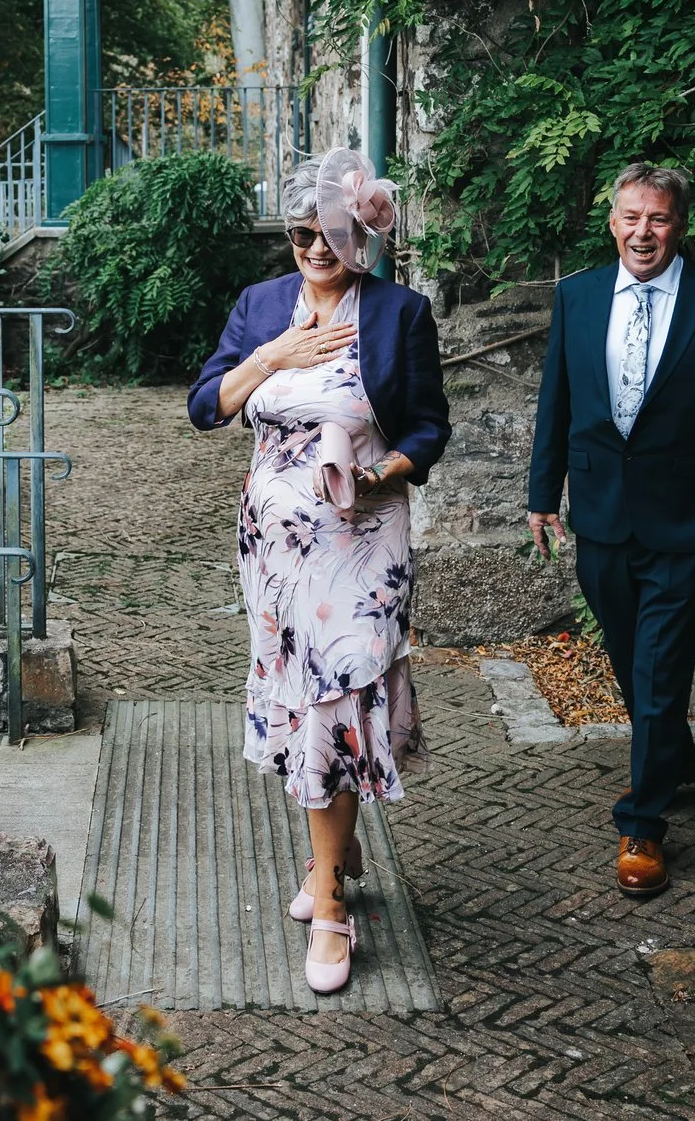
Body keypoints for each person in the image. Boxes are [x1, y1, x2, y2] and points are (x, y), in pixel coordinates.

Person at [187, 150, 450, 995]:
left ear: (362, 237)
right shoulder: (260, 306)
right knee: (305, 705)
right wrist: (276, 354)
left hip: (361, 543)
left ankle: (330, 901)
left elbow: (429, 427)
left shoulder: (400, 314)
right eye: (300, 233)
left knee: (334, 705)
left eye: (330, 234)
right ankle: (332, 850)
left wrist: (383, 473)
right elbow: (205, 407)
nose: (313, 247)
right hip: (274, 552)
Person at [525, 163, 695, 899]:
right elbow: (556, 402)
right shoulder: (577, 296)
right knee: (631, 651)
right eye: (631, 216)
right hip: (600, 509)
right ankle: (674, 751)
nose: (643, 232)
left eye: (658, 219)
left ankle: (642, 823)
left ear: (680, 225)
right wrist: (544, 494)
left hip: (687, 514)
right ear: (612, 221)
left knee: (660, 665)